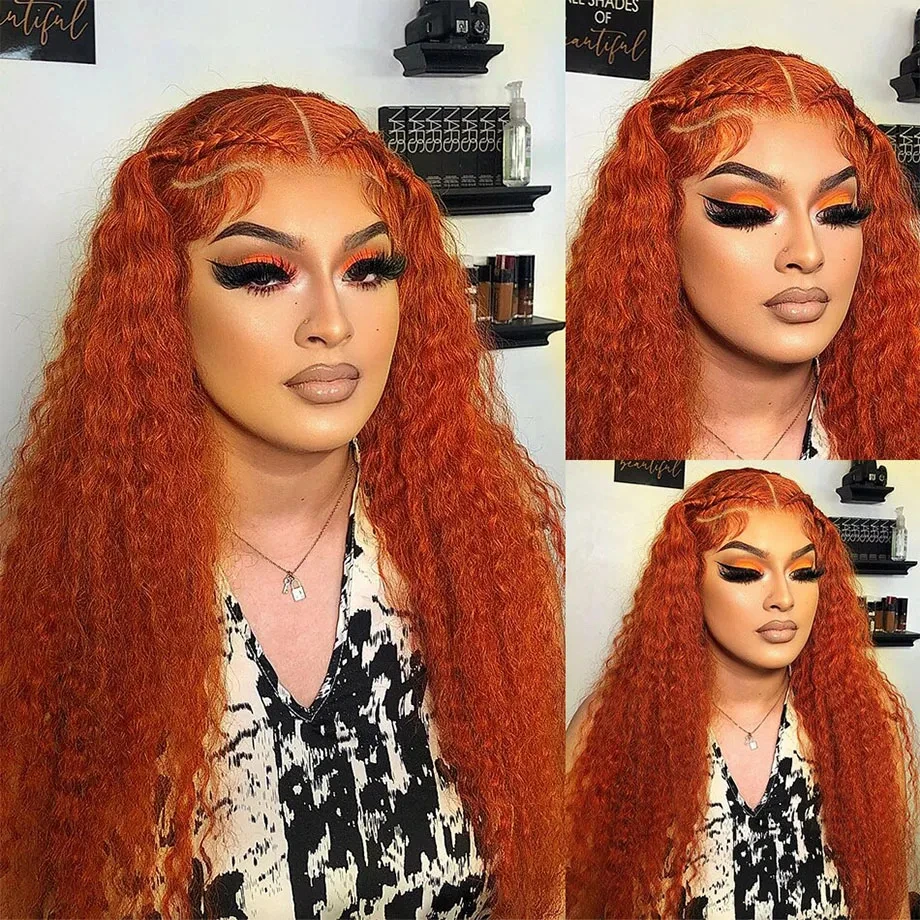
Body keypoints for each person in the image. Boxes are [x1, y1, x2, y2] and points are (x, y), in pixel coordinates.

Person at [0, 86, 564, 920]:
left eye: (368, 270)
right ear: (160, 299)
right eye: (264, 274)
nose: (332, 323)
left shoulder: (481, 555)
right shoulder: (69, 582)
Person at [566, 468, 917, 919]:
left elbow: (890, 904)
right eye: (745, 572)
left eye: (804, 572)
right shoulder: (612, 723)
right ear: (688, 582)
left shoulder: (864, 723)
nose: (784, 598)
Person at [566, 46, 920, 460]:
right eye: (746, 212)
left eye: (840, 212)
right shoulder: (584, 426)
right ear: (656, 227)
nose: (808, 254)